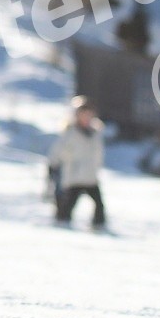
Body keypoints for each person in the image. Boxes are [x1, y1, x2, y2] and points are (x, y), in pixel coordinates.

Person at [49, 96, 107, 230]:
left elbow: (98, 154)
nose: (86, 117)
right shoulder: (70, 133)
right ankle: (62, 225)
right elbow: (57, 152)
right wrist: (54, 166)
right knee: (67, 206)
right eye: (83, 114)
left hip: (90, 176)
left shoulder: (96, 133)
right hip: (75, 176)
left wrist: (97, 168)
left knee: (99, 205)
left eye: (89, 114)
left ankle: (99, 227)